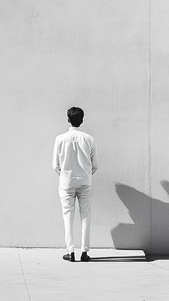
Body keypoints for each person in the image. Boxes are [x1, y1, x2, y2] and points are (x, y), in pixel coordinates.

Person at [52, 107, 98, 262]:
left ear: (68, 119)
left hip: (66, 183)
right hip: (85, 182)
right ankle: (84, 252)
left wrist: (66, 175)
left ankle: (70, 251)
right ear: (82, 120)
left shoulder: (60, 139)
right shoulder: (89, 139)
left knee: (67, 216)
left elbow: (55, 165)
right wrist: (84, 175)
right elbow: (95, 165)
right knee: (86, 216)